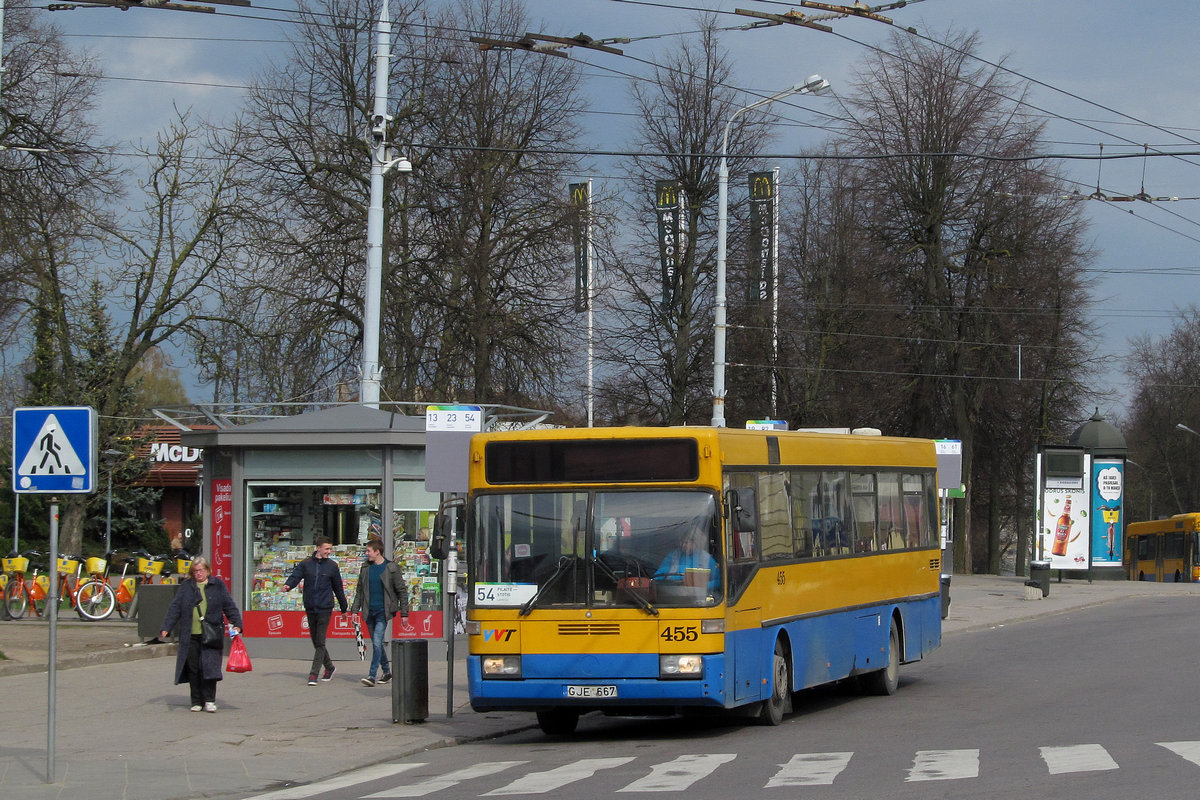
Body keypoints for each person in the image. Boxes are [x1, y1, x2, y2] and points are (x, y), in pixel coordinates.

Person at [159, 557, 243, 713]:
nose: (198, 573)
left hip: (211, 635)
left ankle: (210, 700)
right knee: (194, 668)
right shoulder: (186, 587)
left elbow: (229, 605)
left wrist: (237, 623)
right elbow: (175, 607)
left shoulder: (217, 585)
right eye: (195, 571)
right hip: (190, 635)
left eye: (201, 570)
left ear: (208, 570)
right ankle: (196, 700)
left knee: (209, 667)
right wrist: (166, 627)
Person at [280, 536, 348, 685]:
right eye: (326, 549)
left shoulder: (332, 566)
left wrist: (344, 609)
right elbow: (295, 576)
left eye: (330, 549)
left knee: (320, 641)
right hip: (310, 606)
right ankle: (329, 667)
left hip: (325, 607)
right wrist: (288, 585)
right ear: (318, 548)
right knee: (316, 641)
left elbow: (338, 588)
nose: (329, 552)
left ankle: (313, 674)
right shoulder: (306, 564)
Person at [349, 539, 409, 686]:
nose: (366, 553)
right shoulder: (366, 568)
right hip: (369, 611)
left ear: (377, 552)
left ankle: (371, 675)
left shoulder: (391, 568)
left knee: (377, 641)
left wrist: (404, 613)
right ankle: (387, 672)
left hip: (383, 611)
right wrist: (355, 610)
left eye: (369, 551)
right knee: (377, 644)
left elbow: (401, 590)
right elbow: (360, 592)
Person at [654, 519, 720, 594]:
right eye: (682, 541)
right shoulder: (673, 556)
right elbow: (658, 575)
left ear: (696, 542)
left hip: (699, 597)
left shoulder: (706, 559)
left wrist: (705, 585)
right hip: (673, 595)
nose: (683, 545)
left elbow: (719, 581)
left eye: (687, 542)